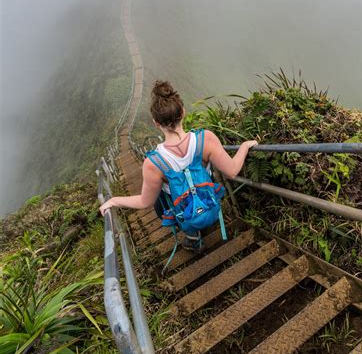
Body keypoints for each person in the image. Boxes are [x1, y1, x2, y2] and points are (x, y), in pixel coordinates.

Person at [99, 80, 257, 248]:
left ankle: (192, 237)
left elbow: (145, 201)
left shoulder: (153, 162)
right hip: (207, 199)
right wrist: (245, 146)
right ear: (183, 111)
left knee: (163, 201)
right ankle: (206, 220)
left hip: (181, 209)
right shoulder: (206, 139)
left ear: (156, 122)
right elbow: (232, 171)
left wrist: (114, 201)